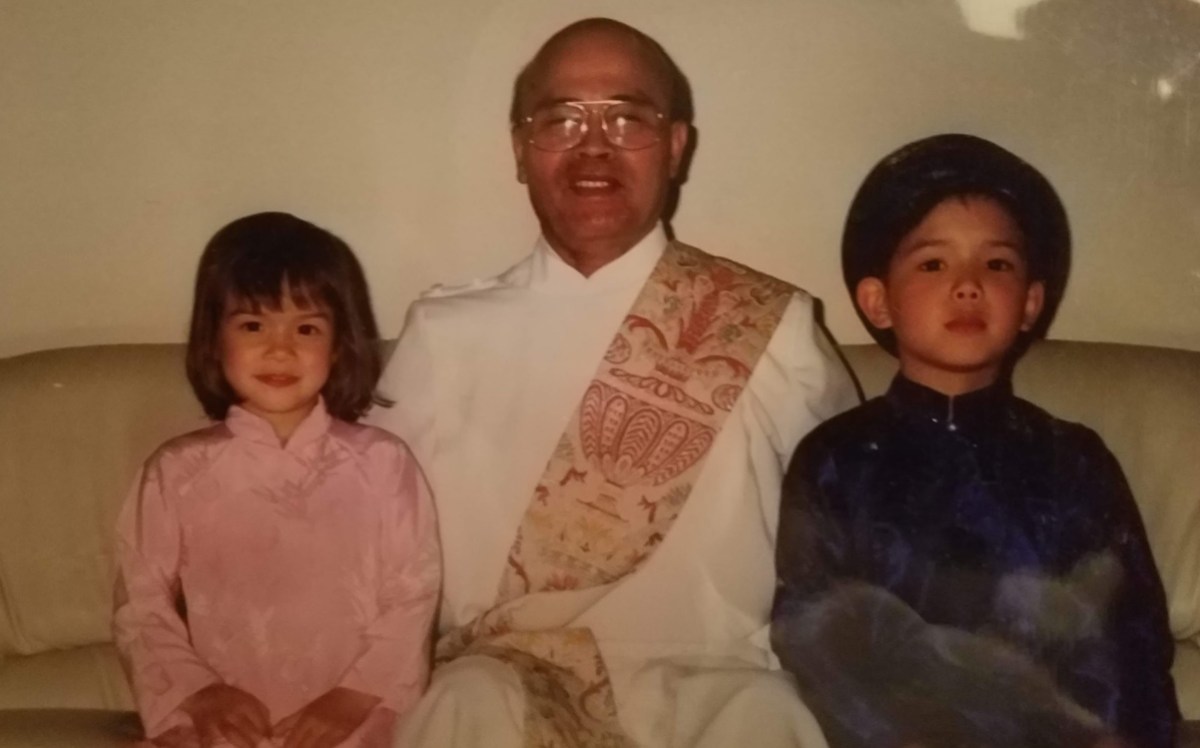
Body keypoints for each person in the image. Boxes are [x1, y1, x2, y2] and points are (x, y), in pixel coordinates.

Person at [369, 17, 857, 748]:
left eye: (627, 117)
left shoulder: (770, 324)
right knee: (461, 704)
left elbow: (853, 534)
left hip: (719, 688)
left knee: (770, 717)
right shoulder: (444, 332)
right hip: (503, 679)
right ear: (518, 149)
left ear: (676, 146)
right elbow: (368, 539)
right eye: (560, 118)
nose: (592, 145)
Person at [770, 134, 1180, 748]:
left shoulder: (1074, 459)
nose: (968, 285)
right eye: (933, 263)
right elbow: (820, 646)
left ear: (1030, 304)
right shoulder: (836, 459)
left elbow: (1131, 646)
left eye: (997, 264)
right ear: (878, 301)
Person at [113, 212, 440, 748]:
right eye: (253, 326)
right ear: (213, 340)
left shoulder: (384, 463)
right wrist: (201, 694)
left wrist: (354, 697)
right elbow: (140, 606)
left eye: (306, 328)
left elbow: (413, 596)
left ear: (338, 346)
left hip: (353, 719)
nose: (280, 349)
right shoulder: (175, 472)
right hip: (217, 721)